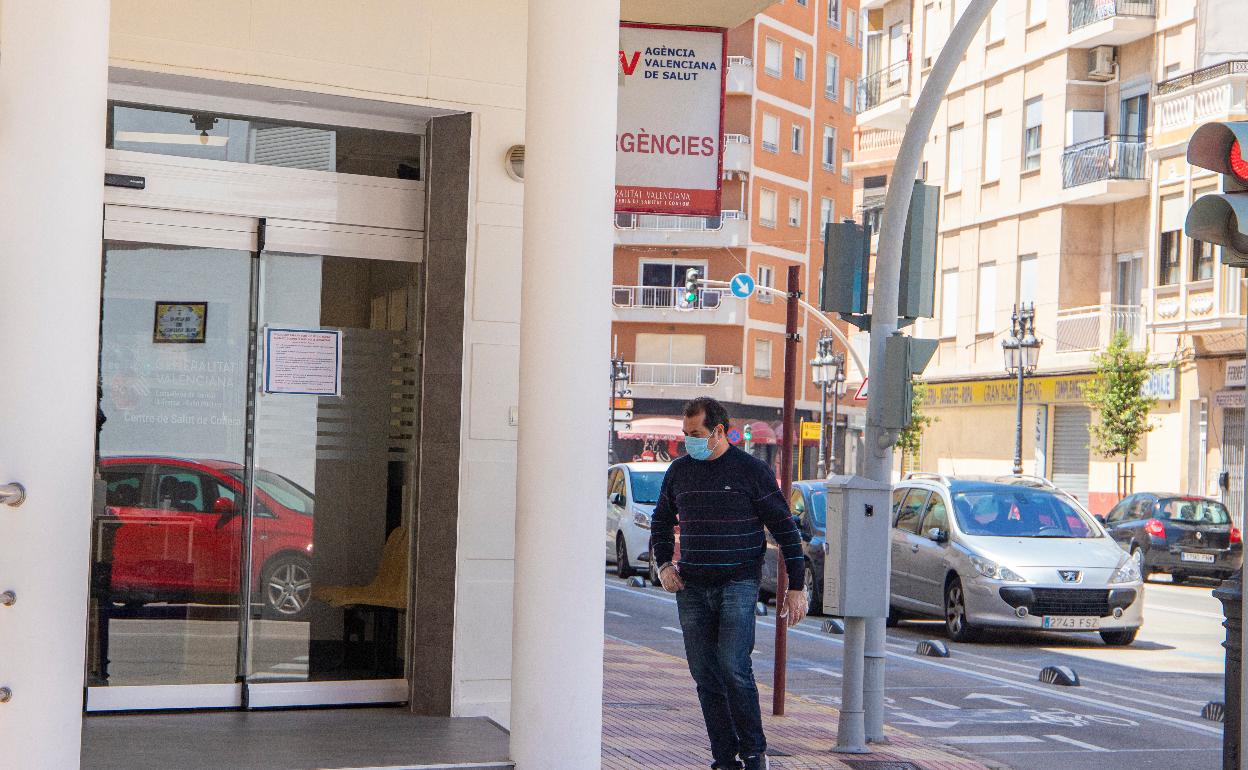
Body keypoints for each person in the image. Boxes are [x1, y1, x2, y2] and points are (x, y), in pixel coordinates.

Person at [650, 397, 808, 770]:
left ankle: (753, 753)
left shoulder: (750, 471)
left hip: (738, 582)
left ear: (719, 431)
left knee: (733, 667)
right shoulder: (679, 472)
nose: (689, 441)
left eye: (696, 434)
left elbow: (786, 528)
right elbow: (660, 521)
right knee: (705, 675)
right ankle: (724, 758)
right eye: (685, 434)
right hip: (691, 586)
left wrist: (796, 586)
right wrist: (663, 565)